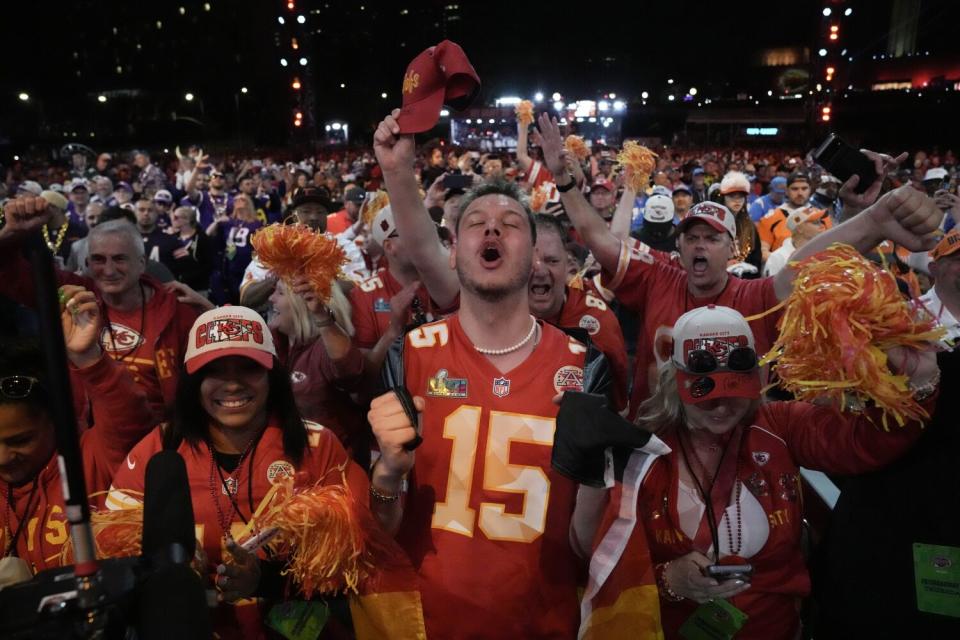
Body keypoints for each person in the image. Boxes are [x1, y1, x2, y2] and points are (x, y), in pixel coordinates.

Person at [366, 108, 611, 638]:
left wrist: (599, 474)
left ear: (540, 259)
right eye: (475, 224)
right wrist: (385, 477)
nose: (492, 229)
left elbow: (588, 546)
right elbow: (379, 531)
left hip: (544, 624)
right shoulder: (409, 355)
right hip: (426, 624)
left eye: (511, 224)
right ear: (454, 253)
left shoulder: (586, 366)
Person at [534, 111, 941, 418]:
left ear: (732, 250)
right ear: (679, 247)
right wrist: (563, 180)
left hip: (733, 447)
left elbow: (802, 268)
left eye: (712, 238)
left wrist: (870, 221)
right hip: (655, 445)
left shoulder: (753, 296)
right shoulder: (658, 277)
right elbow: (598, 236)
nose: (700, 245)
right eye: (691, 237)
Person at [572, 305, 939, 640]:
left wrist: (921, 382)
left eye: (734, 390)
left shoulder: (780, 426)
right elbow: (599, 557)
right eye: (705, 394)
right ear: (675, 381)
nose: (720, 408)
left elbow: (862, 443)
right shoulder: (645, 451)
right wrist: (669, 579)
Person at [106, 305, 387, 639]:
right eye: (215, 371)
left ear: (273, 376)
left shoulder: (317, 445)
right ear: (193, 381)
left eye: (249, 368)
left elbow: (359, 561)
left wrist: (267, 579)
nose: (233, 385)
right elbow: (114, 562)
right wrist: (169, 575)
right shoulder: (159, 450)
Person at [0, 197, 198, 420]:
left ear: (142, 263)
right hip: (90, 434)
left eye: (119, 259)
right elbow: (10, 273)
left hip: (156, 436)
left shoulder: (178, 315)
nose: (109, 270)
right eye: (98, 260)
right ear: (86, 264)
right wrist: (11, 235)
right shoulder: (73, 295)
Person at [0, 286, 151, 573]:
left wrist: (90, 359)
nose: (3, 457)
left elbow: (130, 421)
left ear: (59, 420)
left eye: (20, 440)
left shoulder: (92, 458)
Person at [530, 213, 630, 411]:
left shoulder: (597, 320)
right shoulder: (491, 313)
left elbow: (618, 406)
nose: (540, 271)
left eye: (551, 261)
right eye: (529, 261)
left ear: (569, 266)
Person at [268, 276, 366, 456]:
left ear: (303, 304)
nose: (270, 298)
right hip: (287, 457)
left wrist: (321, 315)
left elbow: (351, 372)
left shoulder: (325, 347)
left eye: (280, 292)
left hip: (334, 463)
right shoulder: (275, 341)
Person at [757, 171, 832, 263]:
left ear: (810, 190)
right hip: (783, 271)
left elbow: (831, 247)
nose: (800, 193)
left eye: (804, 188)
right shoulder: (771, 218)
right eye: (795, 189)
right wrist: (784, 262)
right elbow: (762, 251)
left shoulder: (822, 216)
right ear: (787, 191)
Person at [207, 194, 263, 305]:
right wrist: (217, 221)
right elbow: (208, 234)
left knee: (243, 299)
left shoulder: (256, 224)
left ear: (248, 203)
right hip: (229, 266)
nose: (237, 201)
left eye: (242, 199)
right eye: (236, 199)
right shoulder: (228, 222)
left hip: (246, 266)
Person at [718, 171, 762, 276]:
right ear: (723, 198)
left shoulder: (750, 226)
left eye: (741, 196)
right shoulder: (713, 224)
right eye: (732, 196)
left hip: (745, 281)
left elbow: (756, 260)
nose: (737, 200)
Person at [762, 207, 827, 277]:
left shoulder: (824, 251)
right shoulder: (778, 258)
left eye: (821, 222)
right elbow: (772, 287)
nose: (822, 226)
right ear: (800, 229)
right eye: (816, 223)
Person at [169, 205, 213, 295]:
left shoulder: (202, 238)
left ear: (187, 220)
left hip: (198, 288)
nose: (172, 219)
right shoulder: (173, 238)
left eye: (176, 217)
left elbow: (208, 265)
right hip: (177, 287)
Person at [135, 198, 178, 270]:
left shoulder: (170, 239)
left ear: (157, 214)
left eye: (150, 210)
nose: (146, 213)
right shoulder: (124, 239)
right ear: (134, 213)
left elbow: (185, 268)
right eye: (141, 210)